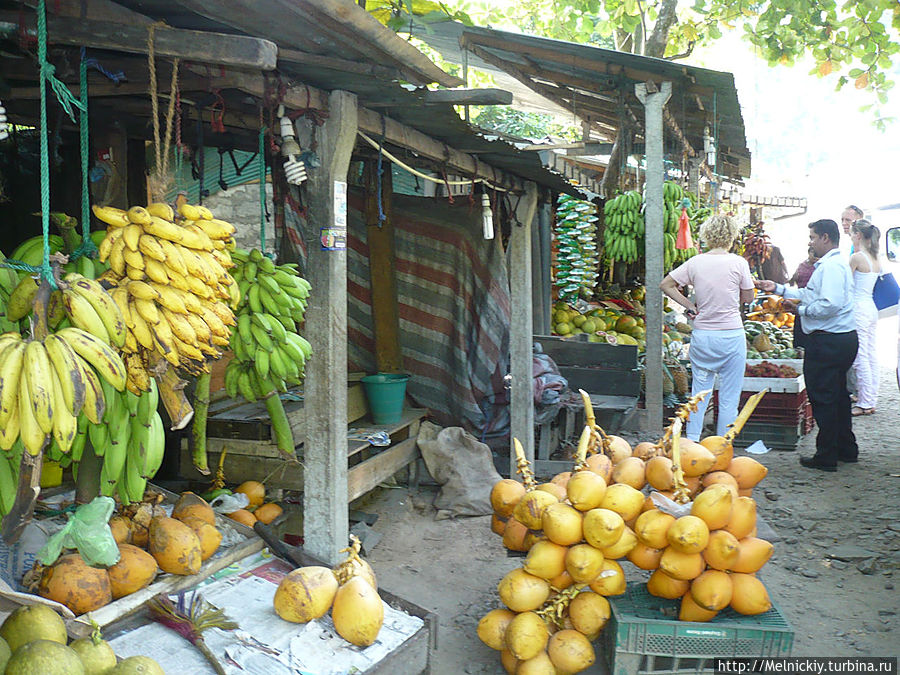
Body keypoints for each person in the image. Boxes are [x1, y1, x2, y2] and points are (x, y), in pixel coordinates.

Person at [755, 219, 858, 472]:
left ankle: (827, 455)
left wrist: (802, 310)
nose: (810, 242)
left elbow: (828, 304)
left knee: (823, 397)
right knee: (838, 396)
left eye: (812, 237)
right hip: (839, 339)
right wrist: (779, 289)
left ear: (825, 237)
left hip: (829, 340)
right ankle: (846, 448)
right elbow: (813, 295)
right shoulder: (830, 265)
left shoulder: (832, 267)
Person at [660, 214, 754, 441]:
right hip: (732, 336)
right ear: (731, 236)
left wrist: (690, 305)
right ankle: (723, 445)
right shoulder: (739, 263)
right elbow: (748, 297)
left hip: (703, 336)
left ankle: (691, 441)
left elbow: (666, 284)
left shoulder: (695, 262)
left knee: (699, 393)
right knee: (730, 396)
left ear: (707, 235)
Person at [848, 219, 881, 416]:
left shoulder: (857, 257)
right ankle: (870, 396)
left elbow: (846, 283)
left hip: (858, 309)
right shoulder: (875, 258)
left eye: (852, 234)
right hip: (871, 308)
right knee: (870, 354)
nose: (851, 237)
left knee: (860, 356)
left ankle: (865, 401)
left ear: (858, 235)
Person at [788, 246, 820, 349]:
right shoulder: (802, 266)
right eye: (813, 254)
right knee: (799, 329)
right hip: (801, 301)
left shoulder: (820, 267)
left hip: (814, 303)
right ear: (809, 253)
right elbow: (792, 281)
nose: (815, 257)